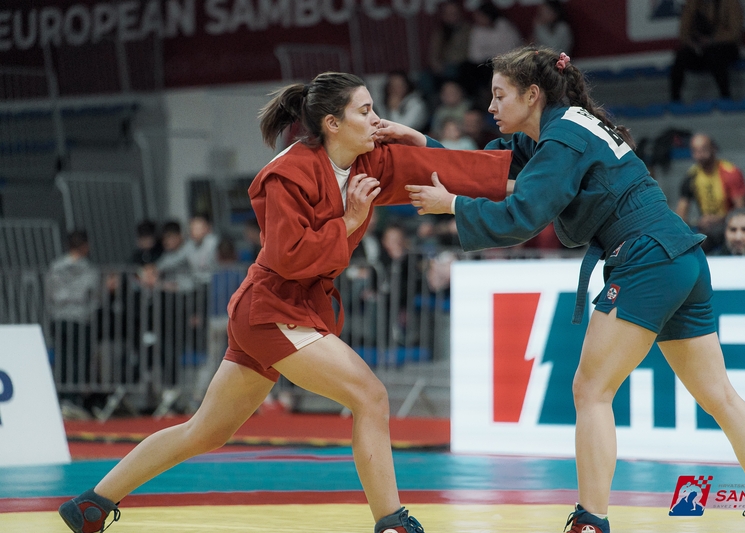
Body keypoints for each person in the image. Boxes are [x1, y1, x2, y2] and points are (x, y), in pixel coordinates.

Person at [58, 71, 513, 533]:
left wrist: (521, 183)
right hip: (271, 309)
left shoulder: (368, 160)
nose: (378, 120)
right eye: (365, 111)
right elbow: (288, 258)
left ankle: (91, 504)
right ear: (333, 123)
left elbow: (447, 171)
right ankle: (392, 523)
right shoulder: (286, 174)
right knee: (371, 396)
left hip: (285, 311)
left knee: (205, 431)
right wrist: (350, 220)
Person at [378, 46, 745, 533]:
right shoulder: (563, 127)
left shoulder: (561, 139)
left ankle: (590, 522)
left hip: (647, 255)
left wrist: (453, 207)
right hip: (681, 254)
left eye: (499, 95)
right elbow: (487, 167)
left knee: (591, 389)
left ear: (532, 94)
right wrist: (421, 143)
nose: (490, 107)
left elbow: (522, 217)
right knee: (722, 396)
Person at [46, 230, 101, 417]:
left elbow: (50, 293)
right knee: (79, 359)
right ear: (85, 246)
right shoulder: (89, 269)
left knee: (62, 358)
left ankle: (62, 398)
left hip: (59, 318)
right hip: (80, 319)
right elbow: (94, 296)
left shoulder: (56, 266)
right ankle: (73, 399)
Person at [674, 132, 745, 252]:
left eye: (703, 149)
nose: (700, 155)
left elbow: (742, 211)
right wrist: (692, 225)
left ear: (713, 148)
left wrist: (718, 220)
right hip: (706, 231)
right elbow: (681, 213)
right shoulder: (691, 176)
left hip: (731, 228)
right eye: (695, 150)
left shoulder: (730, 172)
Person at [670, 0, 743, 102]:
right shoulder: (692, 4)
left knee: (715, 54)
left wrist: (712, 40)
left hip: (725, 47)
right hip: (701, 49)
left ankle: (726, 97)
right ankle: (675, 100)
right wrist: (694, 43)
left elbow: (734, 33)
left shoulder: (730, 3)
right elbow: (683, 33)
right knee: (681, 55)